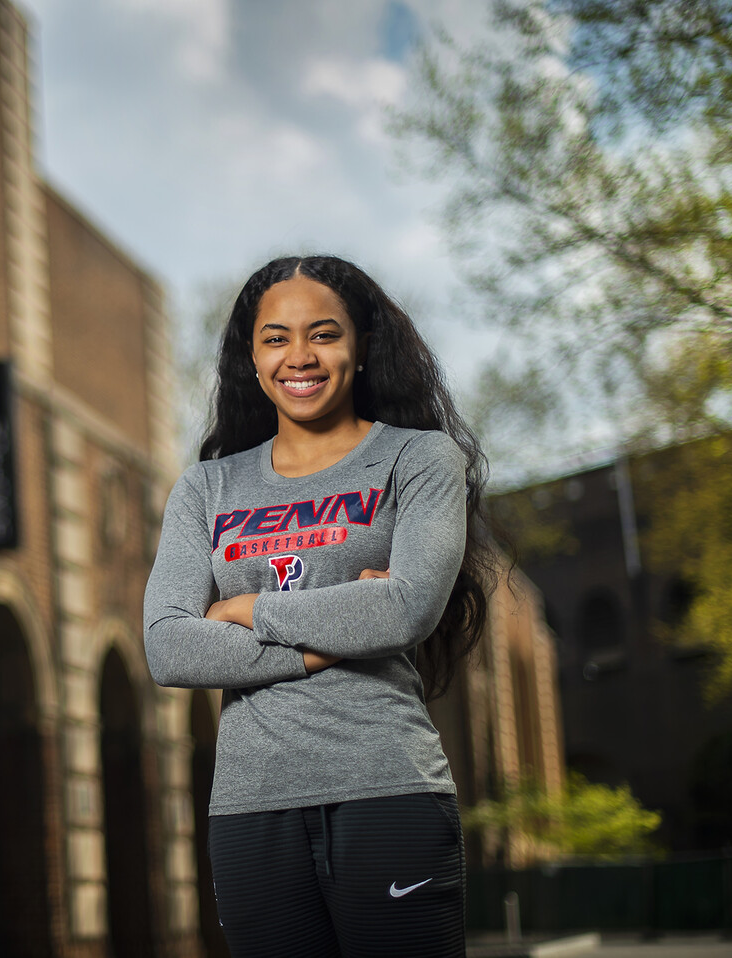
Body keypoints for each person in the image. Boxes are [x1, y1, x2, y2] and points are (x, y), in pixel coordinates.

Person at [143, 255, 493, 958]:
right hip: (248, 809)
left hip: (386, 789)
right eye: (275, 337)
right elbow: (168, 646)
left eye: (323, 334)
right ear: (252, 355)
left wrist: (247, 609)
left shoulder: (419, 461)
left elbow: (406, 609)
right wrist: (333, 629)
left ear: (360, 347)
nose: (299, 356)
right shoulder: (206, 489)